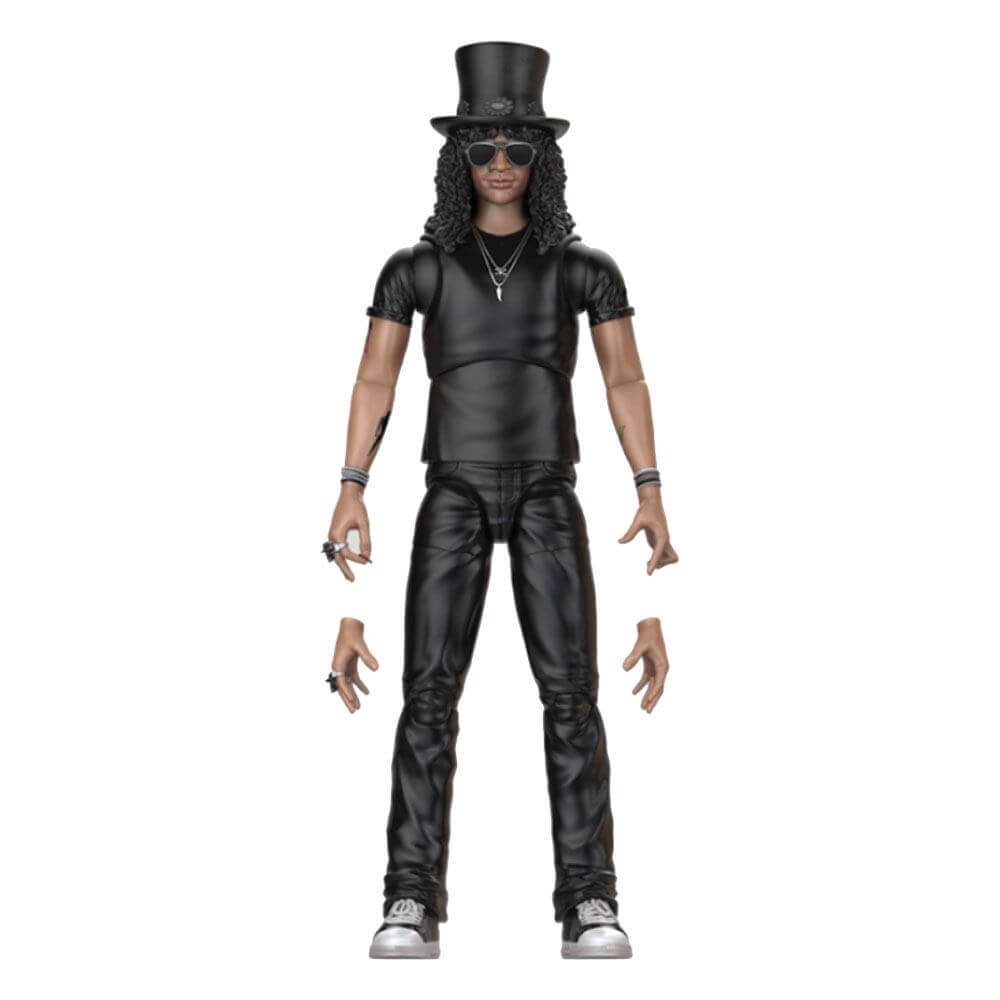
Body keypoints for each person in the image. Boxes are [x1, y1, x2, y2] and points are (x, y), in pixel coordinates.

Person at [325, 42, 677, 959]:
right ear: (459, 155)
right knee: (428, 695)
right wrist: (352, 485)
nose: (499, 162)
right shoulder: (417, 267)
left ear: (541, 156)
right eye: (482, 146)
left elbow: (625, 379)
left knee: (571, 695)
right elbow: (375, 379)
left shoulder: (583, 267)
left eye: (517, 146)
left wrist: (649, 486)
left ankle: (590, 898)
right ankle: (410, 896)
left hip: (549, 485)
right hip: (451, 484)